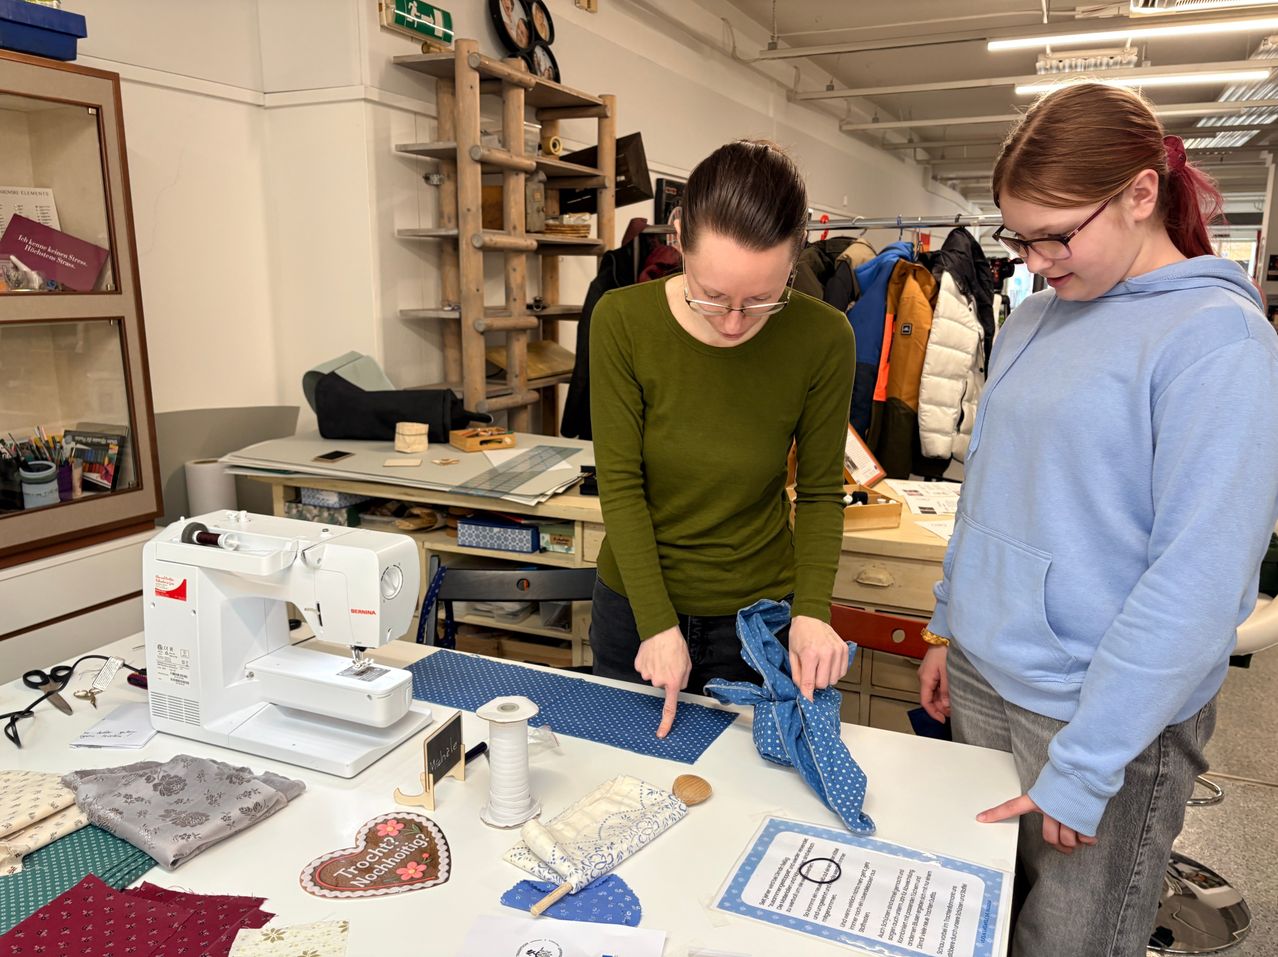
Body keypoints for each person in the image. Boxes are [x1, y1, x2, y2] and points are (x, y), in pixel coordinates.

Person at [916, 82, 1278, 957]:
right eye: (1020, 236)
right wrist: (946, 624)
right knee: (988, 916)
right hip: (987, 677)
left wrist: (1085, 765)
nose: (1035, 259)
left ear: (1141, 195)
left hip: (1097, 714)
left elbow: (1197, 582)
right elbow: (991, 490)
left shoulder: (1216, 339)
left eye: (1057, 233)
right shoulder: (1034, 317)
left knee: (1070, 941)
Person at [589, 139, 856, 738]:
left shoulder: (823, 338)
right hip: (636, 609)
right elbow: (622, 487)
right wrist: (656, 625)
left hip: (757, 620)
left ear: (797, 256)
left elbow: (818, 493)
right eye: (711, 295)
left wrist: (813, 613)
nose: (734, 323)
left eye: (763, 300)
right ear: (679, 236)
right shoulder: (622, 321)